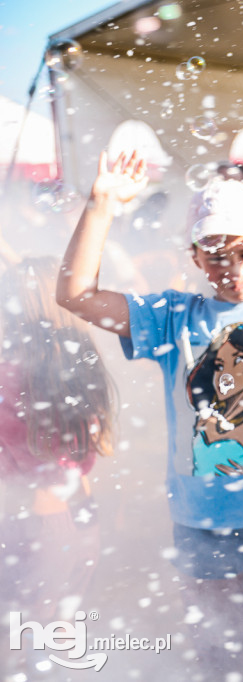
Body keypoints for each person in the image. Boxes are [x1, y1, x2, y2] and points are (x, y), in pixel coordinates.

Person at [56, 151, 243, 680]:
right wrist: (101, 202)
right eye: (215, 256)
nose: (232, 270)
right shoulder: (175, 315)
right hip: (202, 524)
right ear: (196, 258)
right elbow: (77, 295)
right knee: (222, 660)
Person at [0, 257, 117, 676]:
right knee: (53, 638)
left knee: (19, 649)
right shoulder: (77, 365)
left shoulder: (9, 375)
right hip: (81, 523)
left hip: (31, 528)